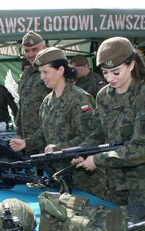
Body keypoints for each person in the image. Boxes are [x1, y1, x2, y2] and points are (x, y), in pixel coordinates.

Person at [73, 37, 145, 221]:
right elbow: (98, 133)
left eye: (116, 72)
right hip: (114, 186)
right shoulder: (104, 96)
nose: (110, 78)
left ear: (131, 65)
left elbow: (142, 149)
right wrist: (83, 151)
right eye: (105, 72)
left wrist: (98, 160)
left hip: (142, 189)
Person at [9, 47, 105, 198]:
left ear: (60, 70)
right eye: (40, 72)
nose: (42, 77)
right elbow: (44, 131)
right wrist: (27, 143)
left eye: (45, 72)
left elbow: (91, 137)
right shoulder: (47, 101)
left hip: (83, 180)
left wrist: (59, 148)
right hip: (58, 177)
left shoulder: (79, 99)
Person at [15, 31, 51, 147]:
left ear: (44, 47)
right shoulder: (26, 74)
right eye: (27, 50)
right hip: (28, 141)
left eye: (35, 49)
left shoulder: (53, 71)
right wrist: (19, 133)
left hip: (48, 139)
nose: (30, 54)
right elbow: (22, 105)